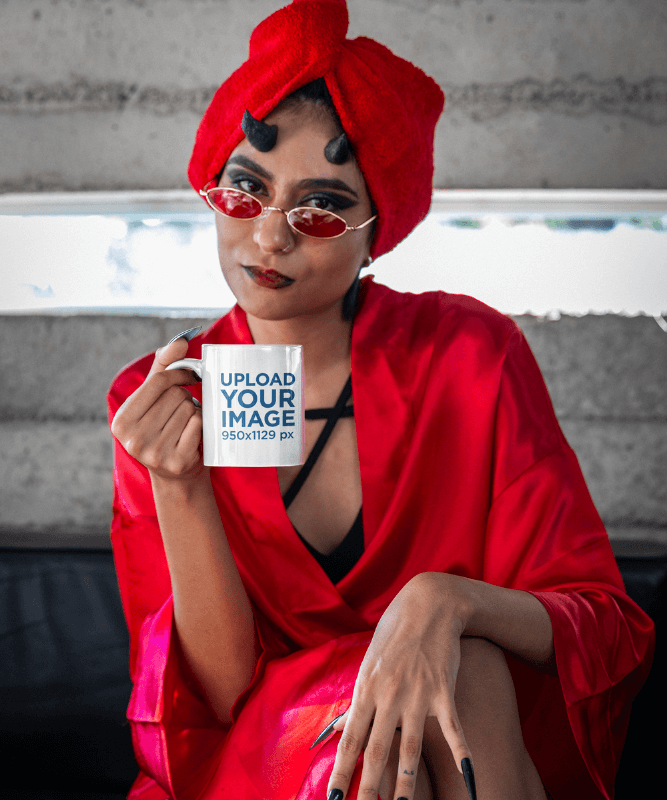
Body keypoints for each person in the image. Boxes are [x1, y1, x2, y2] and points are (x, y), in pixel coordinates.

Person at [107, 2, 654, 799]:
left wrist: (443, 603)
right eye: (242, 191)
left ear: (377, 231)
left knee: (462, 671)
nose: (270, 237)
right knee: (405, 722)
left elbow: (600, 625)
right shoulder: (161, 399)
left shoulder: (467, 355)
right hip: (273, 753)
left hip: (473, 720)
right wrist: (180, 485)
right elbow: (218, 698)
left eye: (320, 206)